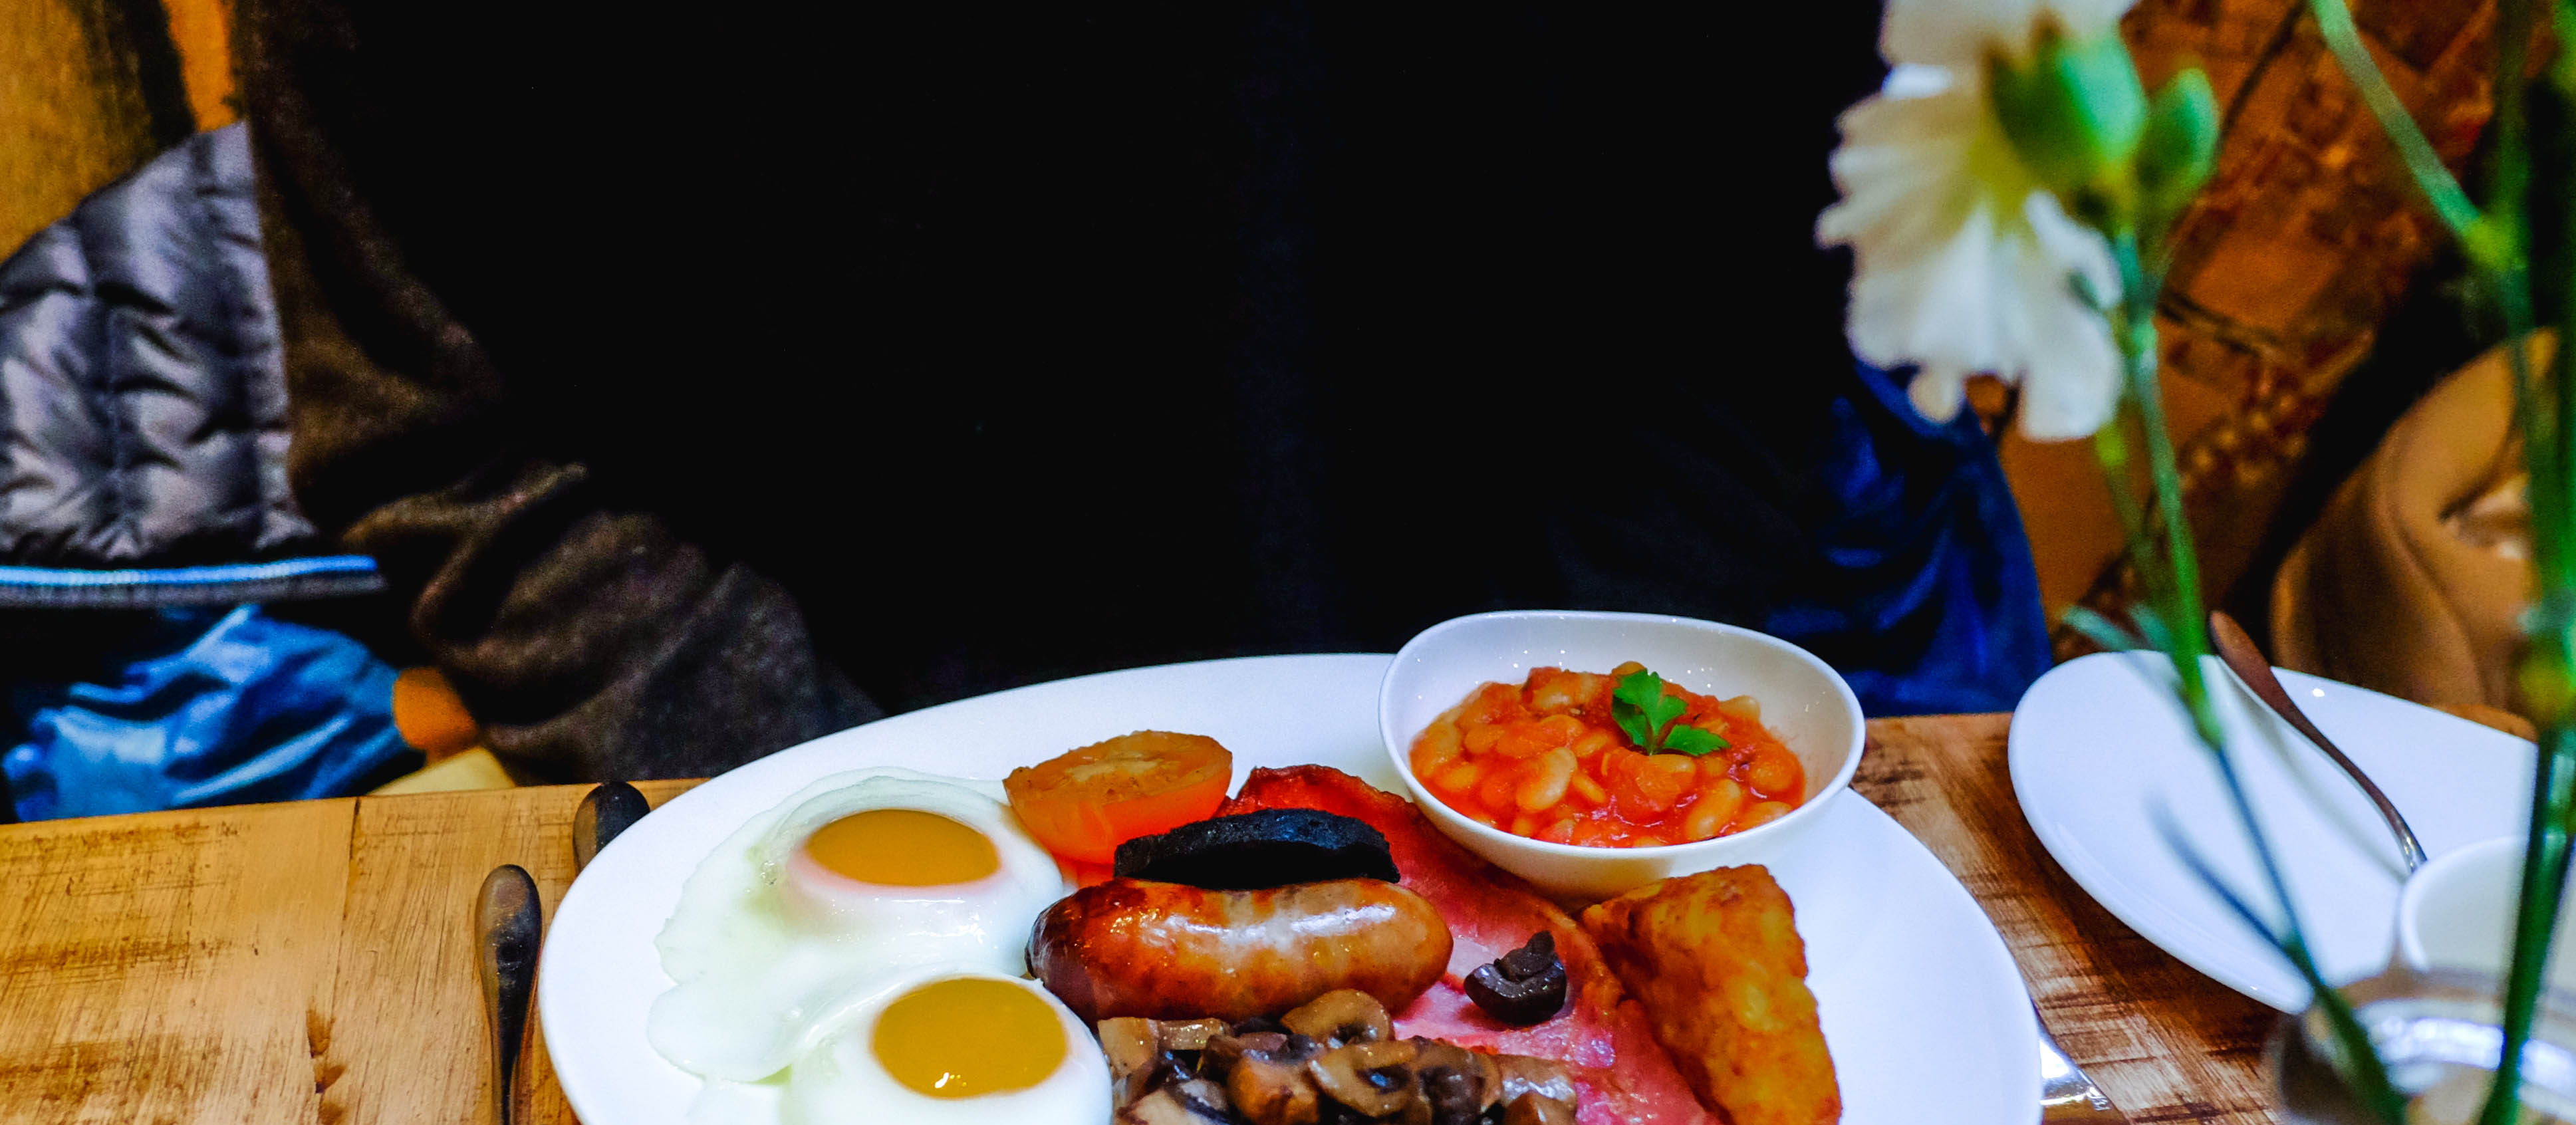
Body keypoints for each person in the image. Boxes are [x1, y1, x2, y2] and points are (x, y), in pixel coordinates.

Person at [239, 2, 2049, 783]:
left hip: (1561, 689)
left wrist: (1499, 771)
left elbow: (1730, 335)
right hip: (836, 751)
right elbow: (458, 437)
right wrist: (880, 826)